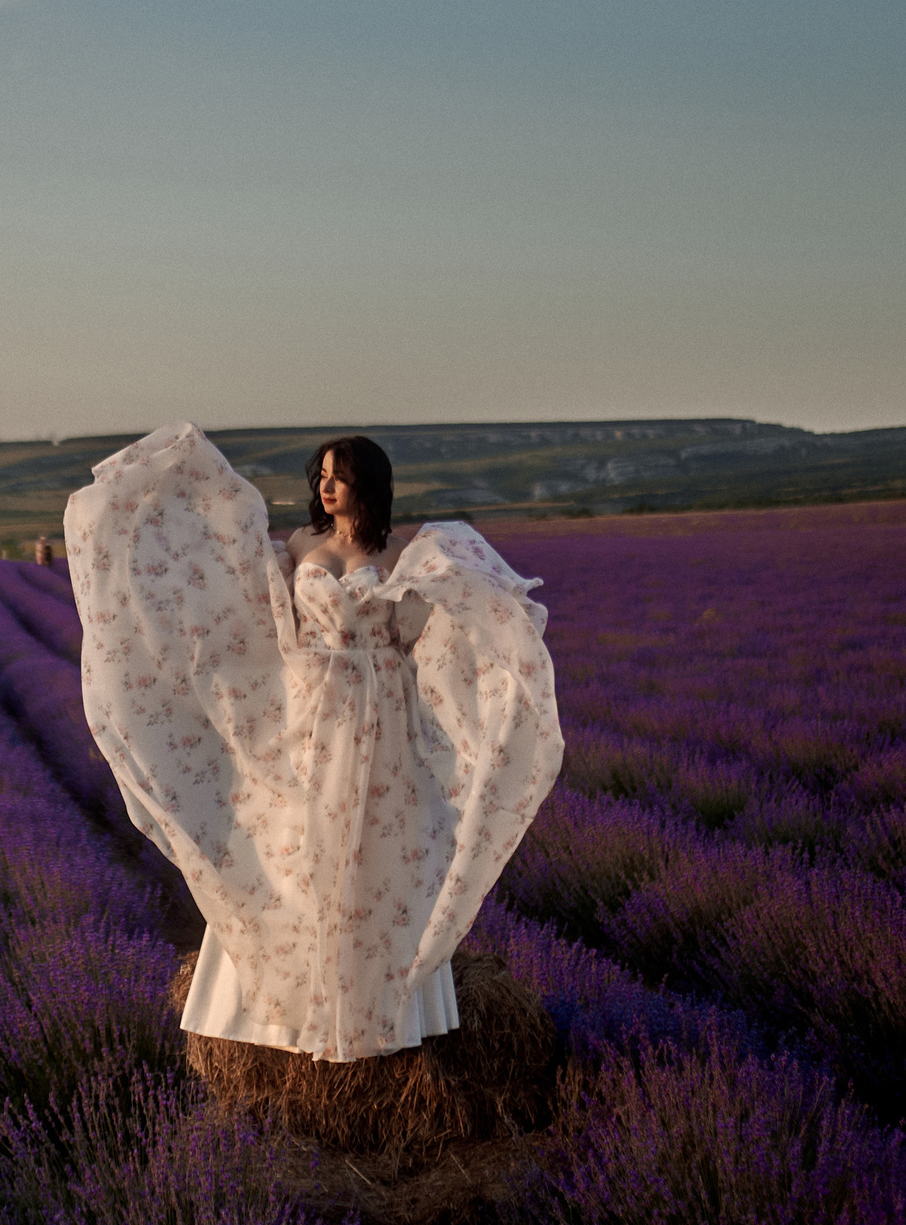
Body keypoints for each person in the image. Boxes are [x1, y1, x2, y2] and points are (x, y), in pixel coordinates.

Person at [65, 424, 562, 1062]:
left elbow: (421, 636)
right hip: (307, 708)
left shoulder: (404, 554)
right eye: (322, 475)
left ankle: (371, 1002)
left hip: (378, 712)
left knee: (375, 846)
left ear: (368, 484)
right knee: (295, 842)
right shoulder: (301, 543)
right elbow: (255, 609)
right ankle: (294, 1006)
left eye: (340, 476)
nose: (327, 487)